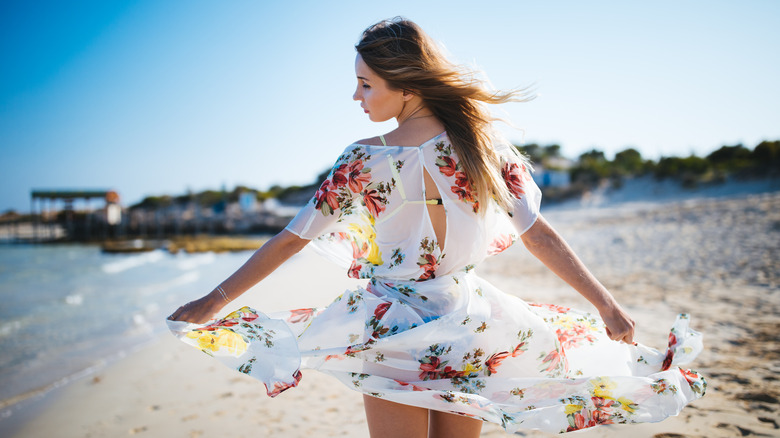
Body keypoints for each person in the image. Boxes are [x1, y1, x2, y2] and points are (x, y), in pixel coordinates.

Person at [168, 17, 705, 437]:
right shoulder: (481, 144)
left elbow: (291, 239)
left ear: (403, 84)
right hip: (466, 320)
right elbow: (537, 233)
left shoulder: (361, 159)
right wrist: (606, 305)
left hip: (391, 327)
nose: (357, 97)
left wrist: (212, 302)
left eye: (365, 84)